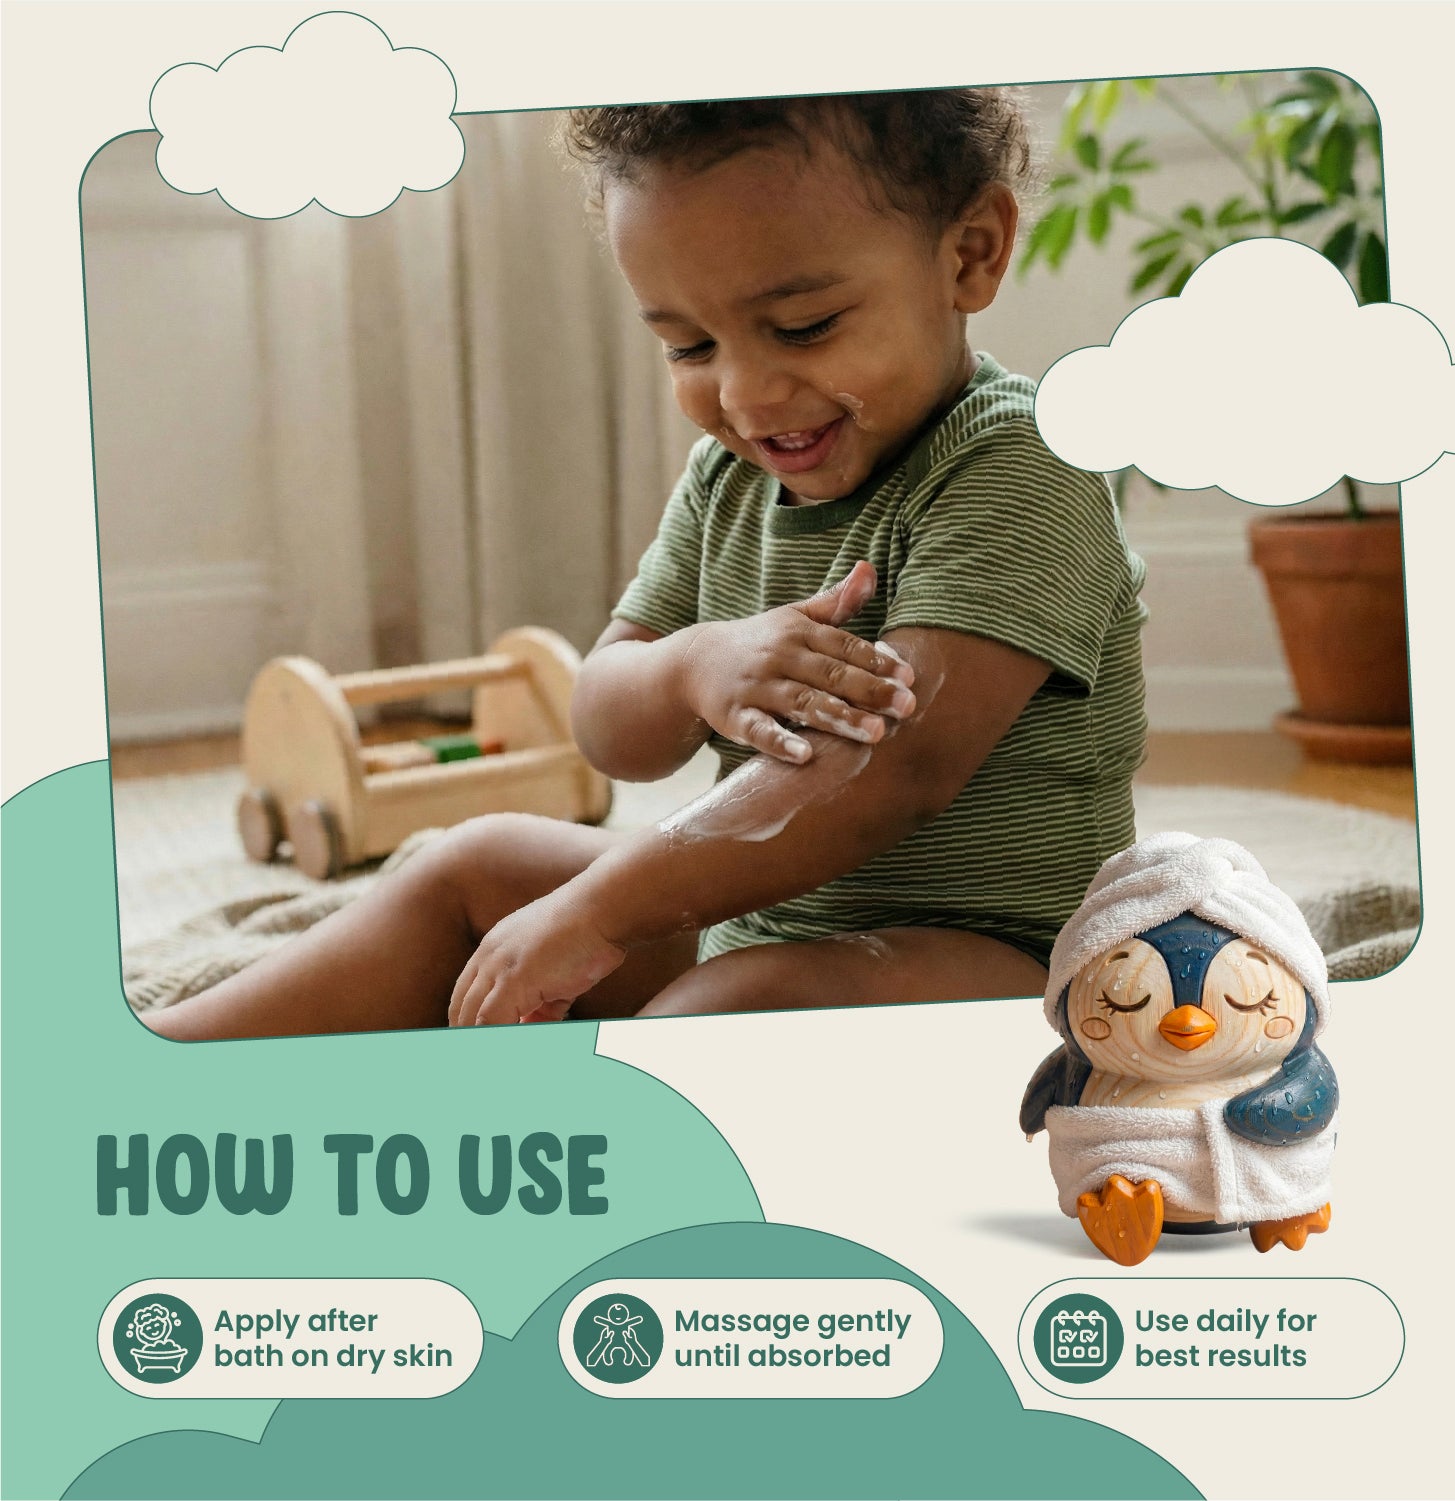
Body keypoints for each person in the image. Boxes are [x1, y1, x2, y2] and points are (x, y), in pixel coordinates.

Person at [143, 87, 1146, 1041]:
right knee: (476, 862)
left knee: (725, 1006)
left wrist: (600, 912)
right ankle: (155, 1062)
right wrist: (690, 666)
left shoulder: (1021, 463)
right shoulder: (727, 479)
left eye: (803, 327)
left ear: (969, 254)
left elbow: (895, 774)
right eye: (688, 345)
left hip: (1009, 967)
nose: (746, 395)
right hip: (760, 920)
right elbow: (607, 727)